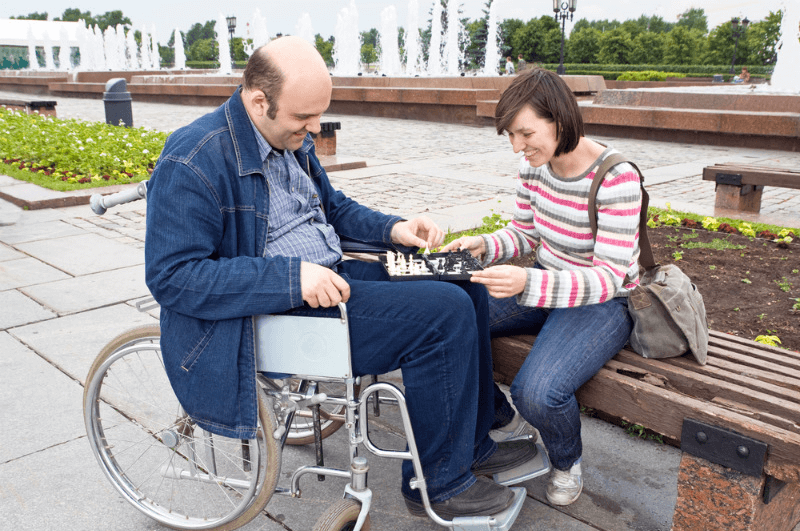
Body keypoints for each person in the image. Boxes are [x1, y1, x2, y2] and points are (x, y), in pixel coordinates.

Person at [144, 36, 540, 520]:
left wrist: (393, 227)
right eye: (303, 118)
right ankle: (438, 483)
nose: (315, 128)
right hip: (279, 305)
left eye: (319, 115)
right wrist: (291, 277)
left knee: (462, 276)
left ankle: (472, 443)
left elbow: (331, 208)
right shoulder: (193, 158)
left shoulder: (285, 138)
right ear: (257, 101)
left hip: (333, 275)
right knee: (442, 315)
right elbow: (174, 277)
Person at [443, 68, 642, 506]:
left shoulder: (616, 177)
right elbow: (524, 234)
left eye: (526, 133)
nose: (518, 147)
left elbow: (609, 276)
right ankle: (502, 420)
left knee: (538, 392)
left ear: (559, 119)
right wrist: (484, 245)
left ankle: (567, 461)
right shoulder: (534, 167)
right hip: (546, 285)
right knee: (449, 314)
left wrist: (529, 280)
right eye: (511, 136)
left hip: (605, 302)